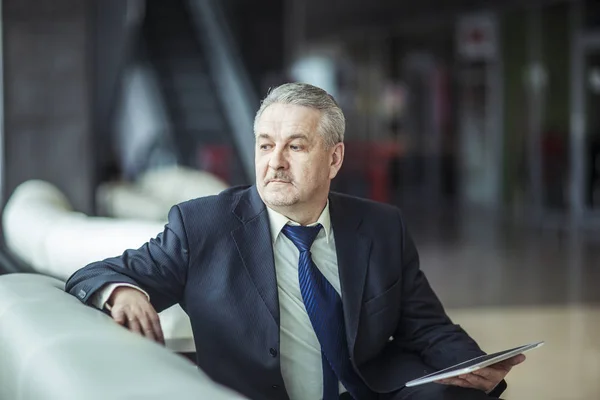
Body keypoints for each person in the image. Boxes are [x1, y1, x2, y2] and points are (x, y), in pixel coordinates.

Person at [66, 83, 524, 400]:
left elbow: (426, 326)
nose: (276, 163)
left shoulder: (382, 226)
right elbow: (93, 274)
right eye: (266, 145)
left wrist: (473, 365)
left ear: (334, 158)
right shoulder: (202, 225)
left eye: (296, 146)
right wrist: (122, 290)